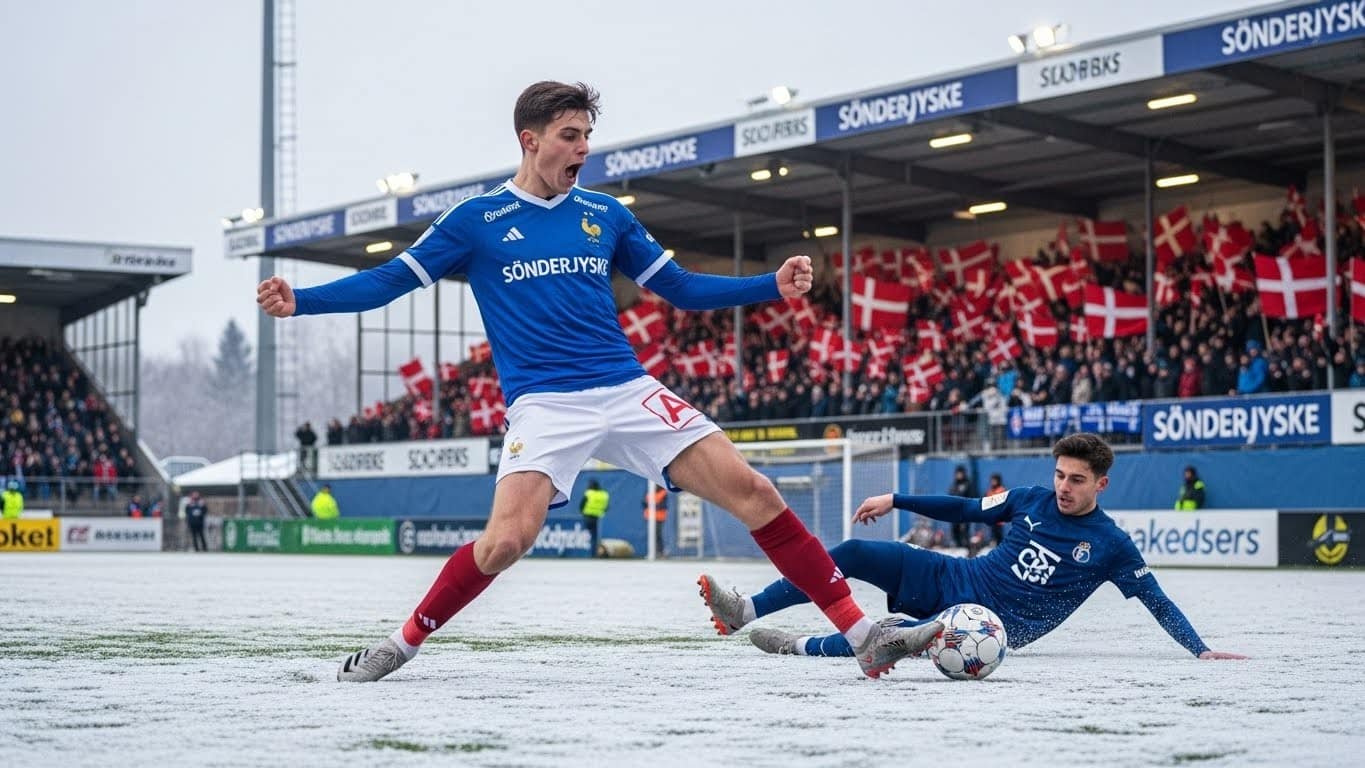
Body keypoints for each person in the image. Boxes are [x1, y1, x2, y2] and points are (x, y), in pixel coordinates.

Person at [258, 81, 925, 682]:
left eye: (586, 136)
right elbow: (387, 280)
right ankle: (401, 645)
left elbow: (681, 289)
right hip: (546, 405)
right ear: (531, 140)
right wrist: (303, 299)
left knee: (755, 490)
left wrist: (768, 285)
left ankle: (863, 635)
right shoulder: (476, 221)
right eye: (570, 136)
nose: (583, 149)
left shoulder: (605, 215)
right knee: (506, 542)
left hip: (626, 389)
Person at [698, 434, 1245, 662]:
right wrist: (896, 498)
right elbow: (963, 510)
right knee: (850, 552)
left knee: (892, 642)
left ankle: (797, 646)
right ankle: (743, 611)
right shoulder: (1030, 498)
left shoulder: (1112, 546)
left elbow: (1157, 600)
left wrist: (1198, 649)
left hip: (987, 622)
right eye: (1060, 475)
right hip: (954, 575)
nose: (1064, 487)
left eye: (1077, 480)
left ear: (1101, 484)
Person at [947, 464, 978, 556]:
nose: (959, 475)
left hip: (965, 511)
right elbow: (951, 495)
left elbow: (971, 496)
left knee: (964, 530)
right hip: (954, 512)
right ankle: (958, 547)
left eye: (960, 473)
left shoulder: (968, 484)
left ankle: (967, 549)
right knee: (955, 529)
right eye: (957, 473)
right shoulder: (954, 484)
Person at [580, 478, 609, 557]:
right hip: (596, 517)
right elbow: (606, 507)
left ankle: (584, 553)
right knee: (594, 537)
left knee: (585, 534)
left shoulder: (589, 493)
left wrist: (582, 512)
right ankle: (594, 554)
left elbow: (582, 505)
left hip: (587, 516)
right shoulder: (603, 495)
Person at [643, 484, 668, 557]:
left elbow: (663, 505)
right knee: (651, 535)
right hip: (649, 517)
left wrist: (654, 505)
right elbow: (644, 502)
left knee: (658, 535)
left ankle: (661, 551)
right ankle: (653, 551)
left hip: (659, 517)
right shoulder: (649, 492)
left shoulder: (663, 493)